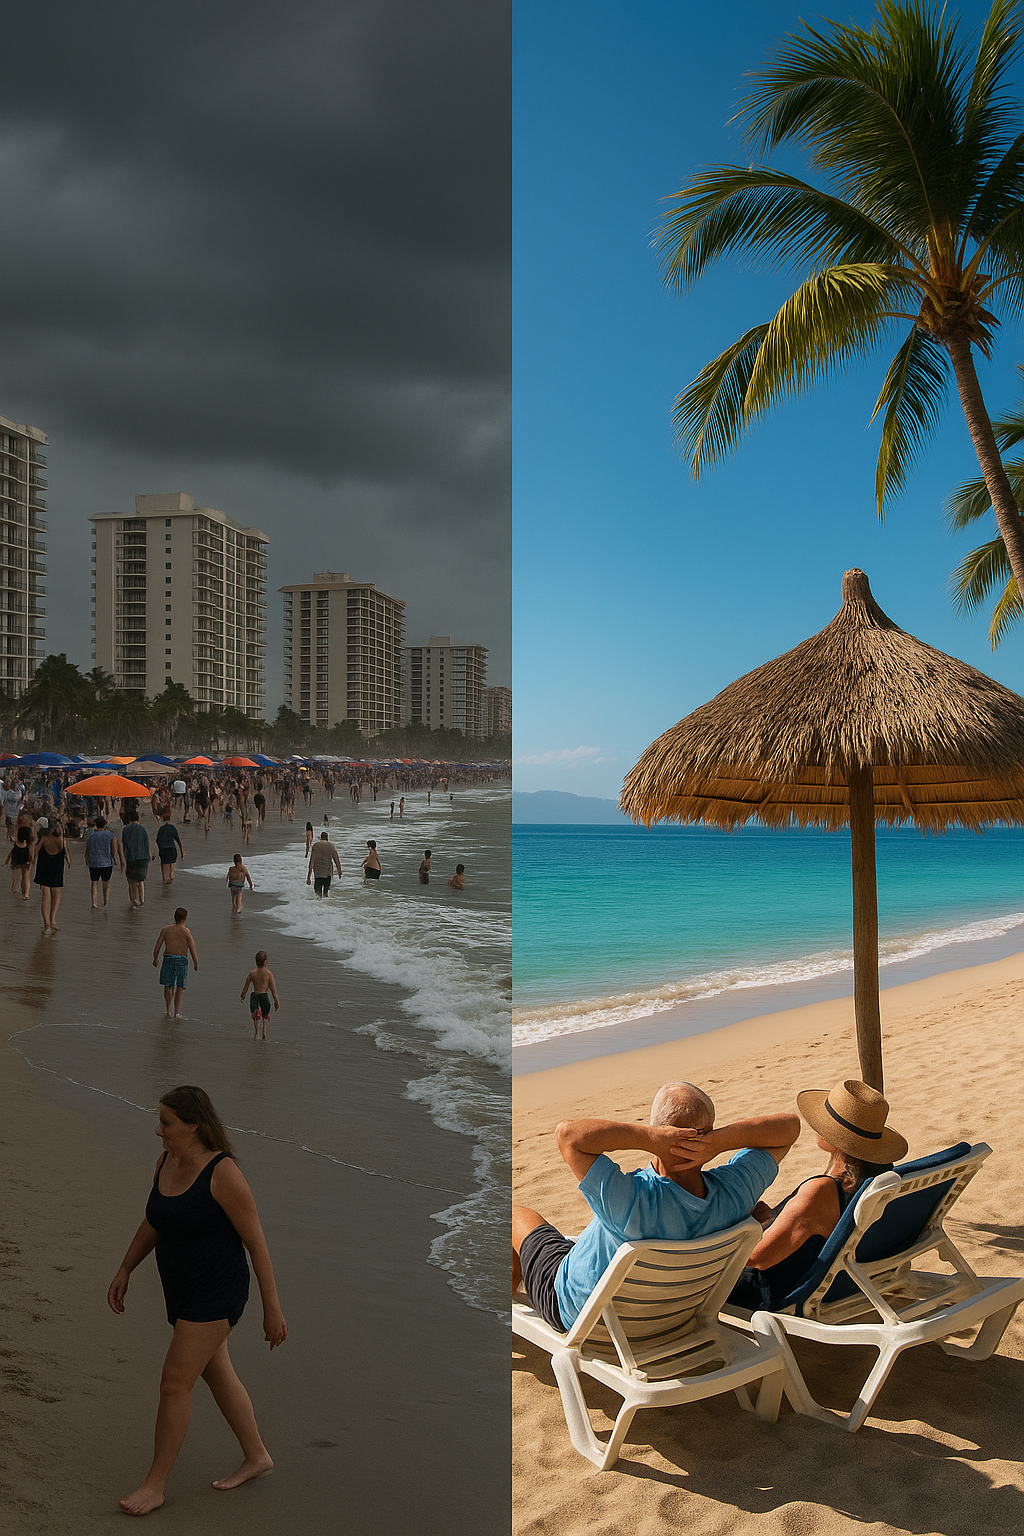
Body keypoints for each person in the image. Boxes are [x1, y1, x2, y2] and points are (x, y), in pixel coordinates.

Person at [107, 1086, 286, 1515]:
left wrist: (272, 1309)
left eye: (166, 1123)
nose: (158, 1130)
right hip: (182, 1289)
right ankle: (257, 1456)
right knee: (217, 1371)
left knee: (174, 1383)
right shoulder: (166, 1161)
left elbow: (256, 1243)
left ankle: (155, 1485)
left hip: (217, 1291)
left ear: (194, 1126)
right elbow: (156, 1221)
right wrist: (126, 1267)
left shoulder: (223, 1174)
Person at [512, 1082, 799, 1333]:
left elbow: (568, 1135)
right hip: (673, 1313)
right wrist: (719, 1142)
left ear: (659, 1132)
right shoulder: (736, 1190)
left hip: (582, 1312)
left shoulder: (630, 1198)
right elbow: (789, 1128)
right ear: (707, 1133)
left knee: (515, 1217)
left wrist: (649, 1138)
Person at [728, 1079, 908, 1312]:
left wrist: (748, 1226)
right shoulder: (878, 1181)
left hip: (769, 1290)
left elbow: (755, 1258)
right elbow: (811, 1227)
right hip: (848, 1278)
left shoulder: (822, 1192)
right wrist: (774, 1218)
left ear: (837, 1138)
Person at [153, 908, 199, 1018]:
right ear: (185, 918)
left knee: (168, 985)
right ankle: (176, 1012)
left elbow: (157, 946)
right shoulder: (186, 932)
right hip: (181, 960)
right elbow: (192, 949)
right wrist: (195, 962)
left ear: (174, 917)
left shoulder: (166, 930)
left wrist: (155, 958)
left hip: (168, 957)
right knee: (179, 987)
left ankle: (168, 1010)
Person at [32, 818, 71, 934]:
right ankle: (53, 920)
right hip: (57, 872)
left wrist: (31, 860)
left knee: (45, 897)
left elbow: (35, 853)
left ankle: (46, 924)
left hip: (44, 870)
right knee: (56, 897)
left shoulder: (44, 839)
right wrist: (68, 862)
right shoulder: (62, 841)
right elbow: (67, 857)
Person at [240, 952, 280, 1040]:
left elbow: (246, 985)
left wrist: (243, 994)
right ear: (266, 961)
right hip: (264, 995)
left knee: (255, 1016)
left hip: (255, 996)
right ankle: (264, 1031)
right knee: (265, 1014)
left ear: (256, 961)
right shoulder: (269, 974)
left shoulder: (252, 973)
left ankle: (256, 1032)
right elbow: (273, 989)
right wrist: (276, 1001)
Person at [85, 816, 123, 908]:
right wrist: (113, 856)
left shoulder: (91, 836)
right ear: (105, 824)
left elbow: (87, 849)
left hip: (94, 862)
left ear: (96, 825)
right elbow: (114, 849)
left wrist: (86, 860)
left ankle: (94, 902)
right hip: (107, 862)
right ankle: (105, 902)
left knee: (94, 883)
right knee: (106, 884)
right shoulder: (111, 835)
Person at [122, 808, 154, 909]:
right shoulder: (142, 829)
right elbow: (147, 843)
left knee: (131, 881)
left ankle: (134, 901)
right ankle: (142, 900)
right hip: (143, 858)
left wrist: (125, 857)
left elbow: (124, 845)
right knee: (141, 881)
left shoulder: (126, 829)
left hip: (131, 858)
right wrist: (149, 855)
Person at [307, 832, 341, 897]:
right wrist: (339, 871)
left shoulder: (316, 846)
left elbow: (311, 862)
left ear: (320, 837)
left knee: (317, 893)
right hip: (327, 873)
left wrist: (308, 877)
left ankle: (318, 905)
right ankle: (325, 905)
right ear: (327, 838)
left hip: (318, 873)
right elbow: (336, 860)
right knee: (326, 893)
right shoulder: (331, 846)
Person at [156, 812, 184, 885]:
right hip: (172, 850)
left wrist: (160, 850)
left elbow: (158, 840)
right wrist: (182, 851)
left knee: (164, 874)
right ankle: (170, 882)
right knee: (171, 873)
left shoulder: (161, 829)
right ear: (170, 818)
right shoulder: (173, 828)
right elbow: (178, 840)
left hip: (164, 849)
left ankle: (165, 889)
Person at [5, 824, 33, 898]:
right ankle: (25, 893)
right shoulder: (29, 845)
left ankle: (14, 888)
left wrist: (7, 861)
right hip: (25, 862)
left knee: (15, 877)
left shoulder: (16, 844)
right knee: (26, 877)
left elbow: (11, 853)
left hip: (16, 862)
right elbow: (31, 855)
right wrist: (31, 861)